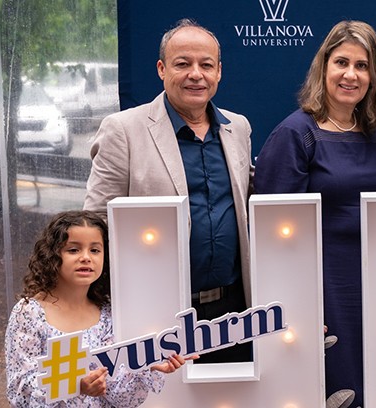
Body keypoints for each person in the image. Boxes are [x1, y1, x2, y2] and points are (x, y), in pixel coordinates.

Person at [83, 19, 253, 364]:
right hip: (157, 314)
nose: (196, 74)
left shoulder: (239, 128)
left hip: (234, 312)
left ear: (219, 72)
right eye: (182, 63)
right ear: (162, 69)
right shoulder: (123, 130)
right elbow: (96, 221)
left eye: (206, 65)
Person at [254, 20, 376, 408]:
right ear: (323, 67)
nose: (351, 74)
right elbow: (276, 236)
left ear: (373, 75)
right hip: (323, 289)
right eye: (342, 62)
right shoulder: (296, 134)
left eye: (362, 66)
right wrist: (297, 304)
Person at [5, 211, 191, 407]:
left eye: (95, 250)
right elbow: (20, 393)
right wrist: (74, 386)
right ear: (52, 255)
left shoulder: (108, 315)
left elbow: (121, 397)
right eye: (73, 250)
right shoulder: (29, 314)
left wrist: (146, 366)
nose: (86, 258)